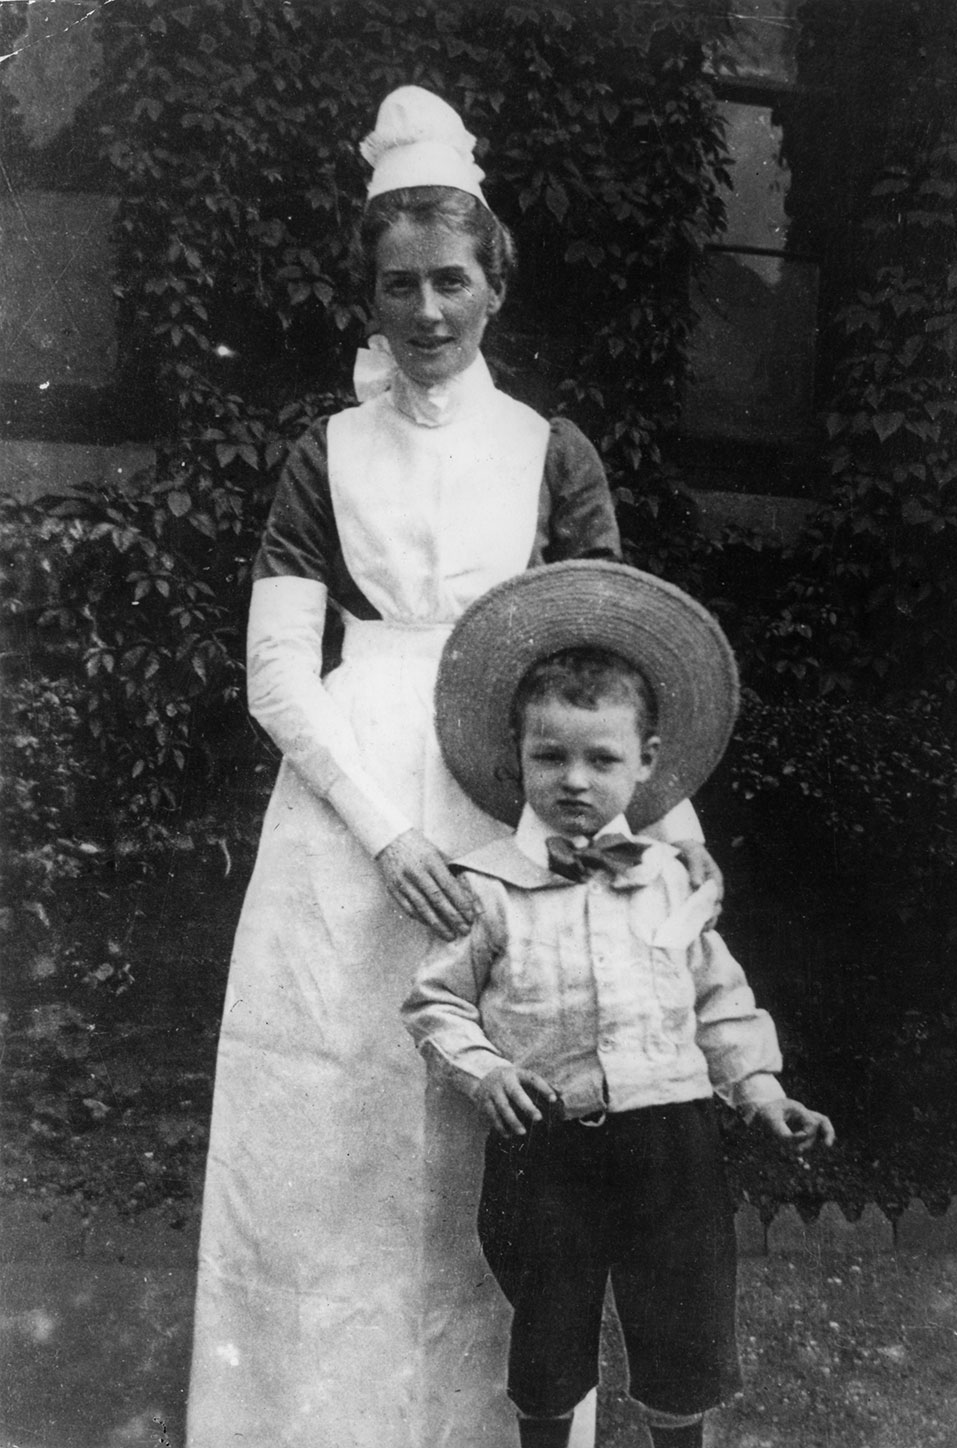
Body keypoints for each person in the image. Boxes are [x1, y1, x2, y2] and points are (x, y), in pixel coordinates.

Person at [186, 90, 718, 1448]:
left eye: (452, 280)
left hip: (515, 802)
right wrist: (381, 835)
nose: (426, 311)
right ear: (371, 290)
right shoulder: (329, 453)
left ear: (494, 285)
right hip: (352, 823)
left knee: (521, 1133)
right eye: (398, 284)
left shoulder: (550, 451)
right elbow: (277, 679)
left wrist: (676, 824)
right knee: (341, 1119)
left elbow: (619, 666)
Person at [403, 561, 836, 1448]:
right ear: (515, 758)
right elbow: (435, 1004)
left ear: (645, 765)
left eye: (601, 758)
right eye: (549, 756)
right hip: (544, 1146)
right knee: (549, 1332)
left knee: (683, 1329)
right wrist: (484, 1073)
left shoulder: (671, 878)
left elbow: (717, 997)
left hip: (671, 1142)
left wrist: (760, 1090)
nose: (573, 780)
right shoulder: (487, 887)